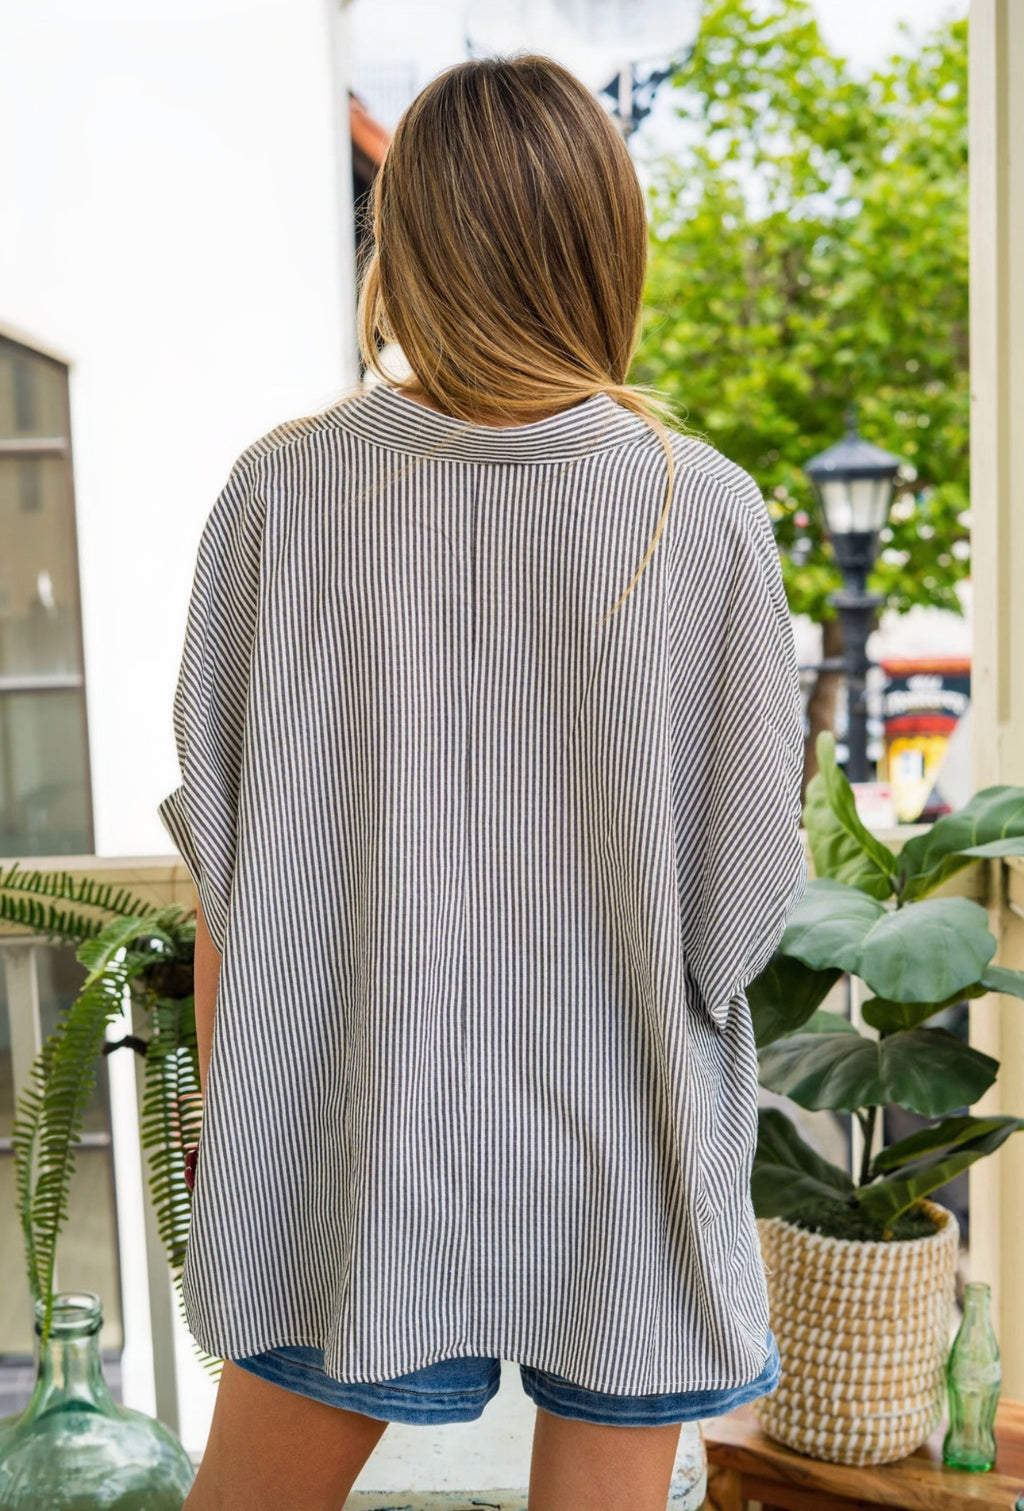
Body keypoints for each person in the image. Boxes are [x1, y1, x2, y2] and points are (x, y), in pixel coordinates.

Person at [158, 53, 806, 1511]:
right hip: (623, 1151)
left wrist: (239, 1144)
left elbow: (230, 882)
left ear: (406, 246)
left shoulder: (284, 494)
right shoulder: (694, 511)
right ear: (608, 247)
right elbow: (740, 915)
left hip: (354, 1146)